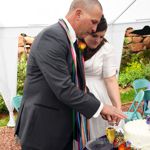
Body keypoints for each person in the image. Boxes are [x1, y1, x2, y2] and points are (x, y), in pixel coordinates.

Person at [15, 0, 126, 150]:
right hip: (43, 129)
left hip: (60, 127)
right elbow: (64, 88)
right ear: (78, 14)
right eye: (93, 22)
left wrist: (101, 107)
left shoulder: (70, 40)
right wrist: (101, 107)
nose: (94, 28)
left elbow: (78, 84)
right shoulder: (52, 37)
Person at [83, 15, 122, 140]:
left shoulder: (106, 49)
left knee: (100, 137)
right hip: (77, 94)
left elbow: (110, 80)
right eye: (95, 36)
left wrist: (118, 108)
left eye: (102, 36)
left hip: (99, 95)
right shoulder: (75, 46)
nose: (98, 40)